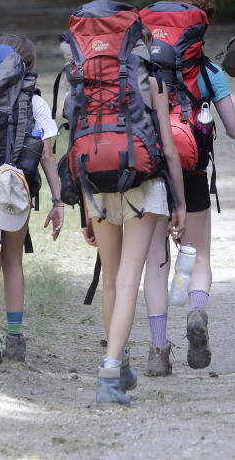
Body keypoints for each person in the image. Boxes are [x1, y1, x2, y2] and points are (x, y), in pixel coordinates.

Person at [139, 0, 235, 375]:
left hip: (151, 170)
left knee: (155, 262)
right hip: (193, 172)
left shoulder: (142, 69)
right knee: (198, 255)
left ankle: (157, 350)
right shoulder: (209, 71)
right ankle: (197, 312)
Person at [82, 24, 187, 405]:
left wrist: (84, 208)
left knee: (111, 279)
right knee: (129, 280)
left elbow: (79, 141)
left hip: (96, 184)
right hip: (145, 183)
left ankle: (120, 360)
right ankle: (110, 373)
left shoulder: (88, 78)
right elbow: (170, 149)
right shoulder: (152, 79)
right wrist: (180, 202)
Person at [0, 34, 65, 364]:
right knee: (12, 262)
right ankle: (14, 338)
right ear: (29, 66)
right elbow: (47, 156)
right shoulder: (33, 102)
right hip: (14, 191)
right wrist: (57, 201)